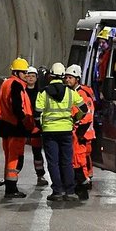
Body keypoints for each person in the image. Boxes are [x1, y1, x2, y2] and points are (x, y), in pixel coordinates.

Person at [35, 62, 88, 202]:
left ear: (51, 75)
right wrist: (75, 119)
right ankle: (70, 191)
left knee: (53, 163)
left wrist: (41, 126)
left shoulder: (43, 92)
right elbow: (85, 109)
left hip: (49, 132)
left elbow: (36, 113)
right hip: (66, 131)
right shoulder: (71, 93)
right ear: (63, 76)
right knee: (67, 162)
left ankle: (57, 191)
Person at [0, 57, 34, 198]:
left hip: (6, 126)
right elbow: (16, 106)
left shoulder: (6, 83)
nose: (26, 75)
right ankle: (11, 189)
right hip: (15, 127)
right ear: (16, 73)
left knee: (9, 157)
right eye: (23, 72)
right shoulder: (16, 85)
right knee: (15, 158)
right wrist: (24, 120)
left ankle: (10, 187)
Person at [64, 64, 95, 200]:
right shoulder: (76, 93)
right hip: (80, 133)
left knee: (80, 161)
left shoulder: (81, 94)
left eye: (70, 77)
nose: (67, 80)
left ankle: (84, 185)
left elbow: (87, 116)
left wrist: (80, 133)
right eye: (66, 77)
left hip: (82, 133)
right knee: (80, 160)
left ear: (77, 78)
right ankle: (84, 183)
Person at [23, 66, 49, 187]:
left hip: (35, 127)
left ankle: (40, 175)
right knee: (17, 152)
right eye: (28, 76)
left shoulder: (40, 92)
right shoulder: (21, 91)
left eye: (33, 76)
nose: (30, 78)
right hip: (22, 126)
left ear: (36, 78)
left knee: (37, 152)